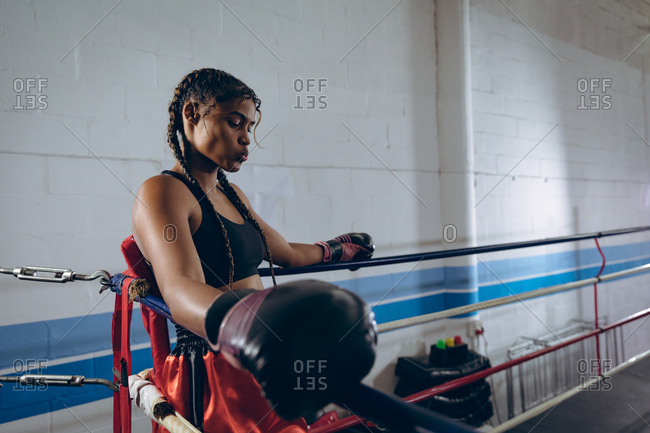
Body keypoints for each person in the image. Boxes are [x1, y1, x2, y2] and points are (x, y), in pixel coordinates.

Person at [131, 68, 375, 433]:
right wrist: (255, 323)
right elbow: (180, 290)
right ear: (192, 114)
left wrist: (336, 249)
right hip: (211, 369)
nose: (247, 139)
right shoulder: (162, 192)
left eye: (250, 127)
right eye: (234, 123)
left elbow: (285, 252)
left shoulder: (231, 195)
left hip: (260, 354)